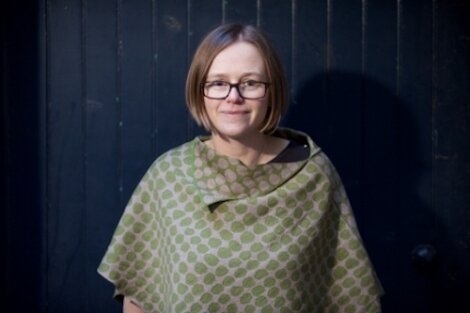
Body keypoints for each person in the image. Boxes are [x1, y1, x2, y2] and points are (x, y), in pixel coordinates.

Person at [98, 23, 383, 313]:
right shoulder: (169, 177)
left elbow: (350, 299)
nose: (233, 97)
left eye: (250, 83)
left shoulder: (314, 176)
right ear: (200, 92)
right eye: (218, 83)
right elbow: (138, 298)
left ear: (272, 91)